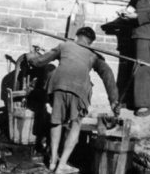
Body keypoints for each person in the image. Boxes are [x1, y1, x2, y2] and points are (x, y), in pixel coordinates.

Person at [26, 27, 119, 173]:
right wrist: (114, 100)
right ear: (90, 42)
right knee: (76, 124)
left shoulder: (64, 45)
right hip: (79, 88)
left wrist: (30, 57)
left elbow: (39, 62)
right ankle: (61, 165)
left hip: (58, 84)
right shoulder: (94, 55)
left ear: (78, 37)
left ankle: (52, 161)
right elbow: (108, 74)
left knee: (56, 120)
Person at [118, 0, 150, 116]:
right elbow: (136, 2)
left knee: (142, 67)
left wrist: (137, 16)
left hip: (147, 32)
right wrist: (127, 11)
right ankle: (136, 100)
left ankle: (143, 104)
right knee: (137, 66)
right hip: (140, 32)